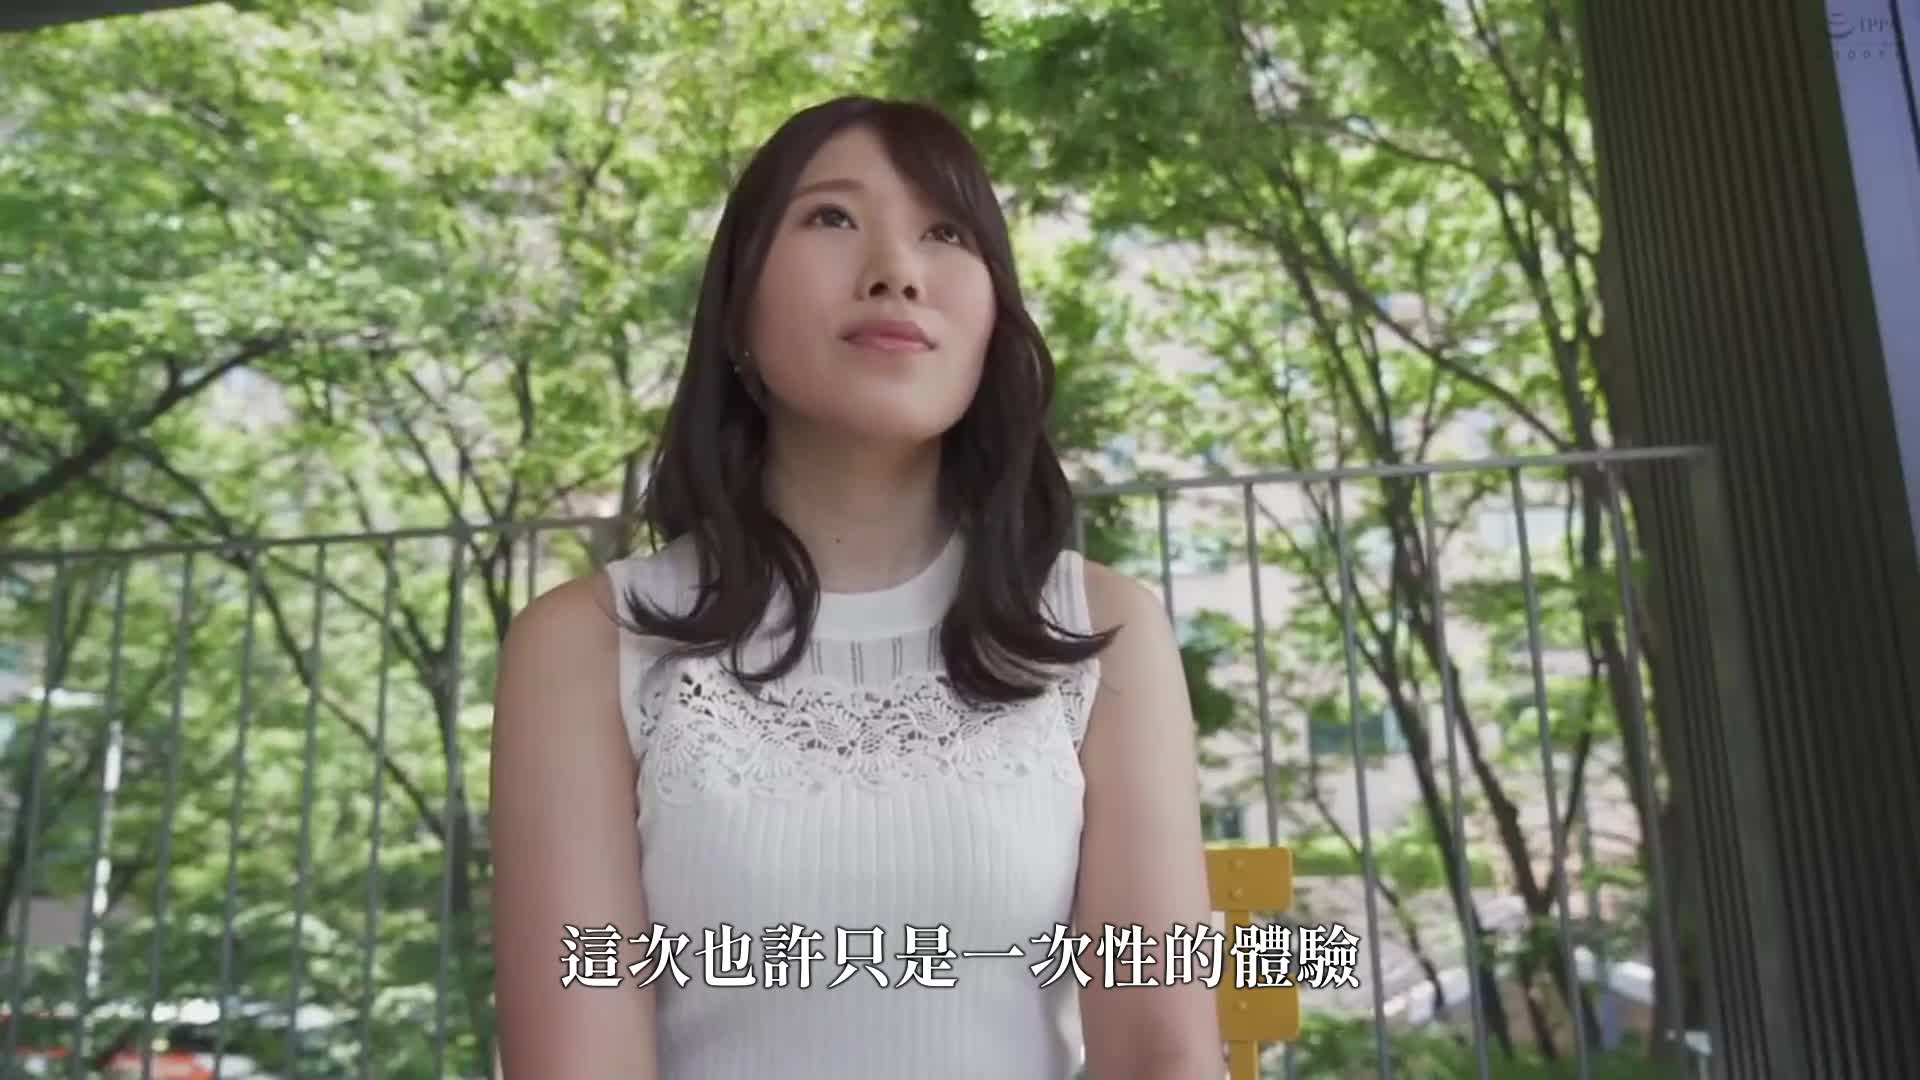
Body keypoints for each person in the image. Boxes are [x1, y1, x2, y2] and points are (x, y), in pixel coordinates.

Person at [489, 94, 1222, 1080]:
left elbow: (1161, 1054)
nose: (896, 272)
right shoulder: (585, 645)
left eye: (946, 232)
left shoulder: (1103, 629)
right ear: (737, 309)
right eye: (831, 216)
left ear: (993, 318)